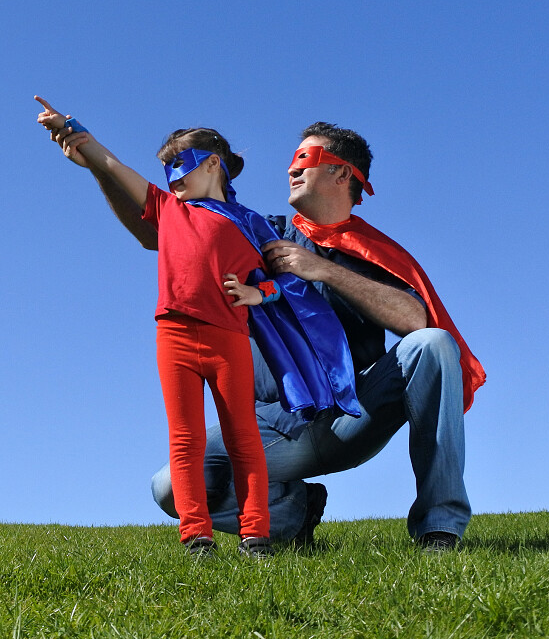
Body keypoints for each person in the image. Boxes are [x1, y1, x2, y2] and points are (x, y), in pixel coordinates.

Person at [145, 122, 486, 551]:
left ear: (343, 175)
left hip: (349, 416)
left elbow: (418, 321)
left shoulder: (372, 253)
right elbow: (160, 229)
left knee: (434, 345)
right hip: (270, 423)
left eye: (306, 159)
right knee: (168, 488)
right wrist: (99, 166)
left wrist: (322, 270)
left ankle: (440, 526)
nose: (291, 170)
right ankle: (293, 514)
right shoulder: (255, 231)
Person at [34, 95, 282, 559]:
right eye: (165, 169)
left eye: (179, 165)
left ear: (212, 164)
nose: (172, 177)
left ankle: (256, 535)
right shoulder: (168, 208)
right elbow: (112, 163)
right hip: (174, 336)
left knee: (243, 435)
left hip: (230, 339)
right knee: (183, 438)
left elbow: (286, 281)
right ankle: (197, 537)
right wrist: (72, 128)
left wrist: (259, 294)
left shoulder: (254, 224)